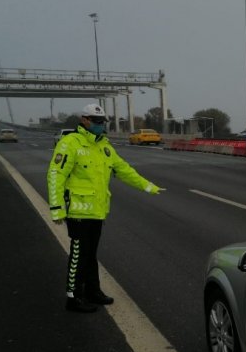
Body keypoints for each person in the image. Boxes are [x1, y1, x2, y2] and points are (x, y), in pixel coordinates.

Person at [47, 104, 165, 313]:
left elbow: (124, 170)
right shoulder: (70, 143)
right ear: (85, 120)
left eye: (103, 122)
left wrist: (149, 187)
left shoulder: (104, 147)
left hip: (97, 211)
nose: (101, 126)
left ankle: (93, 291)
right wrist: (57, 208)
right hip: (78, 211)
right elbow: (56, 175)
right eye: (97, 121)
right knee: (78, 255)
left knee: (91, 254)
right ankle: (73, 297)